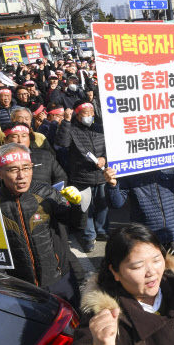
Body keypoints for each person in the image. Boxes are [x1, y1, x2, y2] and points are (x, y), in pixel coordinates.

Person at [0, 143, 84, 308]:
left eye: (26, 168)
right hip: (21, 285)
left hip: (59, 279)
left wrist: (78, 206)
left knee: (73, 324)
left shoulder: (47, 193)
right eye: (13, 170)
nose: (22, 176)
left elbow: (76, 226)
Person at [104, 148, 174, 250]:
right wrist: (112, 185)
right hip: (146, 237)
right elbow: (116, 204)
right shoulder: (128, 165)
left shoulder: (171, 157)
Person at [55, 100, 109, 253]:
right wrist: (66, 121)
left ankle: (102, 230)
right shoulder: (71, 129)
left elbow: (109, 148)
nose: (90, 115)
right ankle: (89, 237)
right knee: (86, 208)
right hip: (82, 176)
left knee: (102, 205)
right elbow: (62, 143)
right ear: (78, 116)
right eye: (86, 113)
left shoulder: (100, 129)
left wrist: (104, 159)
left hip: (101, 174)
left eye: (92, 112)